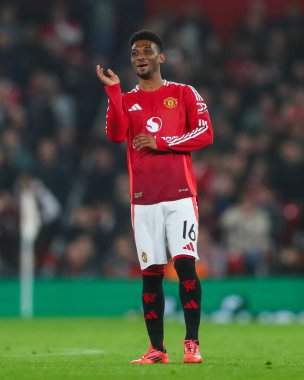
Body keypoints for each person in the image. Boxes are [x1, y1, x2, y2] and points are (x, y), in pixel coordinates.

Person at [96, 30, 213, 364]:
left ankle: (191, 343)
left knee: (186, 265)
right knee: (150, 272)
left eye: (147, 51)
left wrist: (162, 143)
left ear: (161, 57)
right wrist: (113, 92)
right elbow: (116, 134)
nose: (140, 56)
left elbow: (205, 133)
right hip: (143, 199)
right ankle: (157, 349)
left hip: (179, 196)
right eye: (135, 53)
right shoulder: (126, 99)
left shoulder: (183, 92)